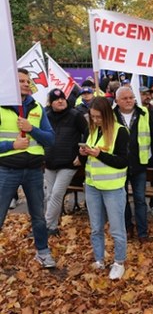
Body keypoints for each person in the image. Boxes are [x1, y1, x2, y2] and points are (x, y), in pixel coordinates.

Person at [0, 68, 56, 268]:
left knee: (38, 216)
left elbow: (50, 139)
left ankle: (43, 252)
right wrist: (12, 145)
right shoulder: (1, 106)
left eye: (27, 80)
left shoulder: (37, 107)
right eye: (21, 81)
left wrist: (31, 129)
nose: (26, 84)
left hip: (33, 171)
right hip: (7, 170)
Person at [80, 96, 129, 280]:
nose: (95, 120)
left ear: (107, 115)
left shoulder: (120, 131)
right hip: (92, 186)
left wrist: (99, 154)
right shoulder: (92, 129)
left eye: (98, 117)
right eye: (92, 116)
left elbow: (123, 162)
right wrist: (84, 153)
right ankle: (99, 259)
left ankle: (118, 262)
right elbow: (89, 159)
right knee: (96, 228)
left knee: (117, 229)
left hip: (113, 188)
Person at [113, 87, 153, 244]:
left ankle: (142, 233)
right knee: (121, 199)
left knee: (140, 199)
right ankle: (127, 227)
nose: (129, 100)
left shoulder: (144, 113)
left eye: (131, 97)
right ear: (117, 101)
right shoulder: (111, 115)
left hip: (139, 164)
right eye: (125, 98)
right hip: (119, 164)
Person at [44, 88, 88, 236]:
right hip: (50, 162)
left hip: (69, 163)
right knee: (50, 195)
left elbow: (88, 133)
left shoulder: (75, 115)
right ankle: (52, 227)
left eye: (62, 98)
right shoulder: (46, 116)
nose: (60, 101)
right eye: (56, 99)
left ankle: (45, 227)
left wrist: (81, 156)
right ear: (50, 103)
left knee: (57, 194)